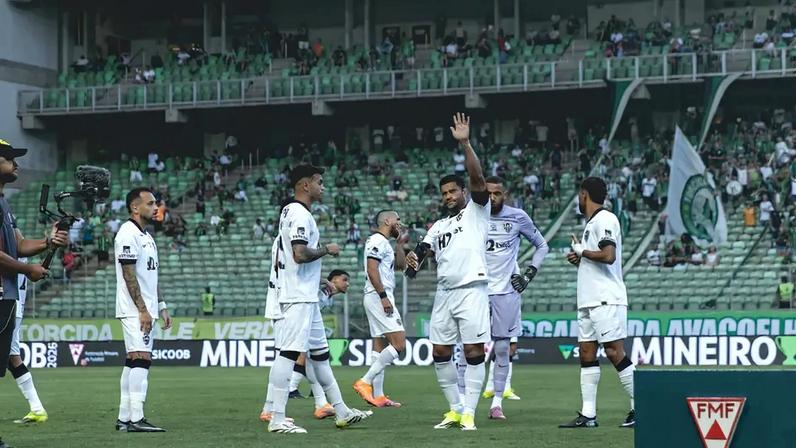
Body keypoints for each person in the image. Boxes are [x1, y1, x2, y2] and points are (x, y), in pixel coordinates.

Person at [266, 164, 370, 434]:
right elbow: (299, 254)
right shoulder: (299, 214)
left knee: (321, 357)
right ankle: (277, 418)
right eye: (319, 182)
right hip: (296, 296)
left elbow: (291, 256)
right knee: (288, 354)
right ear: (305, 185)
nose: (323, 186)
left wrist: (317, 279)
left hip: (306, 295)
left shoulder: (289, 211)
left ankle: (342, 410)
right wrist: (327, 250)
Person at [405, 113, 490, 431]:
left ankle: (469, 411)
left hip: (471, 289)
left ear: (463, 193)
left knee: (472, 351)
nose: (448, 197)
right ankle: (455, 408)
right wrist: (411, 259)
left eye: (453, 192)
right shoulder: (438, 226)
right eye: (444, 194)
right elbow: (420, 256)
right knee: (440, 351)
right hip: (444, 292)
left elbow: (478, 178)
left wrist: (465, 143)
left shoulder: (477, 213)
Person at [0, 140, 67, 425]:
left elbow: (19, 245)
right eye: (9, 159)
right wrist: (27, 270)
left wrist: (48, 242)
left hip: (6, 294)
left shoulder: (4, 202)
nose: (17, 165)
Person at [559, 177, 634, 429]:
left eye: (579, 197)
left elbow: (609, 256)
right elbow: (597, 256)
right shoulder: (592, 223)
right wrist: (582, 258)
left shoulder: (605, 219)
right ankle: (588, 415)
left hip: (606, 298)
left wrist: (582, 252)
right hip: (590, 299)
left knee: (614, 352)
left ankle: (642, 406)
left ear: (584, 194)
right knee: (587, 353)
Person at [479, 176, 549, 419]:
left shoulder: (517, 216)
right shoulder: (473, 215)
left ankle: (496, 403)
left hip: (506, 292)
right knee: (470, 349)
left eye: (496, 193)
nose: (492, 198)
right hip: (476, 291)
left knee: (501, 348)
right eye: (488, 193)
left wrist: (529, 274)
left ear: (504, 195)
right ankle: (462, 406)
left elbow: (542, 245)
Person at [114, 187, 173, 433]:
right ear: (134, 207)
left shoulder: (146, 236)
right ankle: (136, 419)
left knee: (132, 361)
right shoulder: (127, 234)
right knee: (142, 359)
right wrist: (142, 310)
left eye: (155, 203)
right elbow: (129, 276)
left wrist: (161, 306)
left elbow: (151, 277)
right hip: (134, 309)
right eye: (149, 204)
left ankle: (124, 418)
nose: (155, 207)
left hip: (146, 308)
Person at [262, 268, 352, 423]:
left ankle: (321, 403)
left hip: (299, 315)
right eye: (344, 279)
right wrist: (324, 280)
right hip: (291, 314)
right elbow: (301, 277)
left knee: (313, 359)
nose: (347, 284)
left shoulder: (327, 296)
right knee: (286, 358)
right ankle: (270, 409)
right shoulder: (319, 291)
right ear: (334, 279)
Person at [352, 210, 409, 408]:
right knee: (399, 343)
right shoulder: (376, 240)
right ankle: (364, 382)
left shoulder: (386, 243)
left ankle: (379, 395)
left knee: (380, 345)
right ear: (387, 221)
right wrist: (383, 297)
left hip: (379, 295)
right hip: (378, 296)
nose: (400, 223)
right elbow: (371, 269)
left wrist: (400, 245)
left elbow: (401, 266)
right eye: (398, 220)